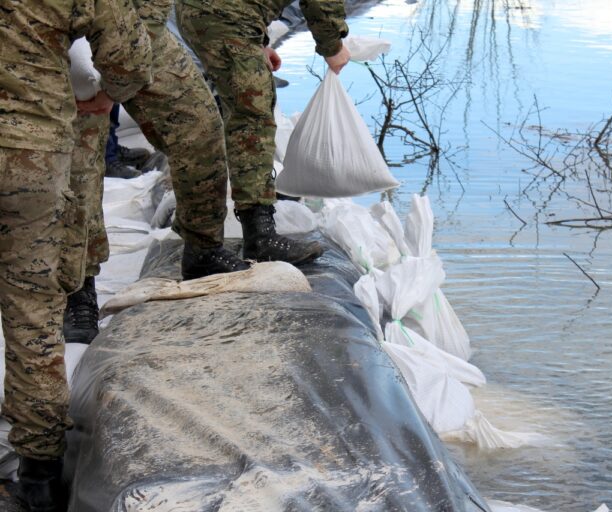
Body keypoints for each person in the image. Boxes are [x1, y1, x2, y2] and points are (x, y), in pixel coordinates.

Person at [0, 0, 153, 509]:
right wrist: (106, 96)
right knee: (33, 312)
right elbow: (130, 55)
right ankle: (39, 476)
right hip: (27, 157)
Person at [63, 0, 256, 344]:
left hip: (137, 20)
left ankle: (203, 248)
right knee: (77, 159)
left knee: (200, 126)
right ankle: (77, 287)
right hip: (54, 22)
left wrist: (118, 83)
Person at [176, 0, 351, 264]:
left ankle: (212, 242)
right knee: (252, 121)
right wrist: (333, 45)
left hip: (207, 12)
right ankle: (260, 237)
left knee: (241, 110)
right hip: (224, 15)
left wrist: (257, 42)